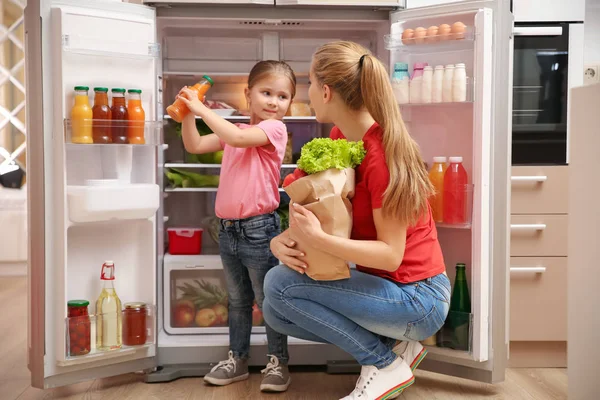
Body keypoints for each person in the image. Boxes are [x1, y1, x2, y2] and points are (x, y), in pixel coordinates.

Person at [263, 41, 451, 400]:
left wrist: (320, 241)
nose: (309, 93)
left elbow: (391, 255)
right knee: (276, 310)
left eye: (309, 83)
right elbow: (307, 202)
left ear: (327, 91)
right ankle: (394, 347)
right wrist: (280, 241)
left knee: (278, 285)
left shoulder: (383, 156)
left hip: (418, 297)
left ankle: (383, 362)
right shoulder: (339, 138)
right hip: (387, 288)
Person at [176, 60, 296, 393]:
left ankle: (277, 362)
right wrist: (187, 114)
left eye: (282, 96)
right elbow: (195, 145)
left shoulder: (273, 130)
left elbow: (234, 137)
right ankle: (238, 359)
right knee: (238, 301)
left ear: (289, 104)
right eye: (266, 92)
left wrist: (200, 107)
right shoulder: (237, 131)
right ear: (248, 94)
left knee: (266, 298)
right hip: (228, 230)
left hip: (259, 228)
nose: (273, 102)